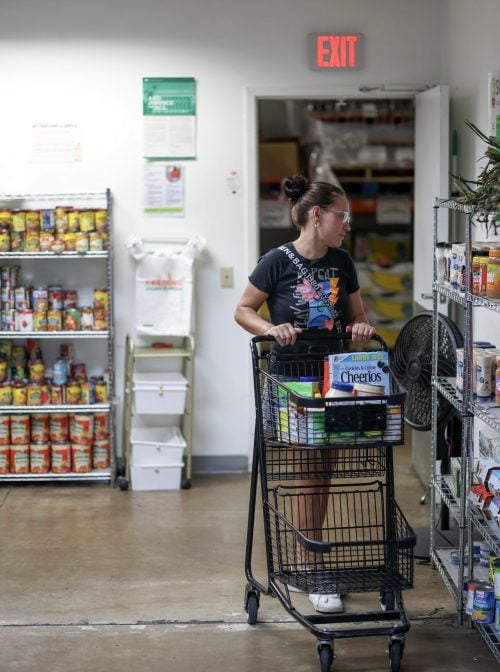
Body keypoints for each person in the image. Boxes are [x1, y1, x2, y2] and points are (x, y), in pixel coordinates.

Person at [234, 174, 375, 614]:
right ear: (317, 216)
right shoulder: (276, 261)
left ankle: (308, 557)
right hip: (293, 378)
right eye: (342, 215)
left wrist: (362, 329)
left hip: (336, 376)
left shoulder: (342, 262)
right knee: (305, 468)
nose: (346, 223)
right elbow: (242, 310)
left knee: (325, 469)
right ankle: (309, 563)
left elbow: (356, 315)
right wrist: (271, 328)